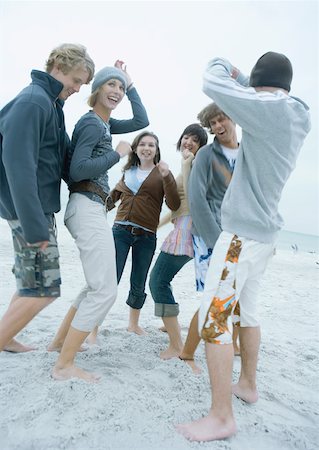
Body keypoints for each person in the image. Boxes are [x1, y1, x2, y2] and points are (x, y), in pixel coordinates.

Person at [176, 52, 311, 442]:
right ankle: (248, 383)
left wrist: (229, 67)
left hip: (241, 235)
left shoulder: (270, 108)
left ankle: (221, 417)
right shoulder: (295, 112)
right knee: (247, 313)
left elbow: (211, 81)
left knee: (214, 319)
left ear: (260, 86)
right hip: (264, 237)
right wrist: (248, 80)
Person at [48, 62, 149, 381]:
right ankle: (64, 365)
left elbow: (142, 120)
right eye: (111, 85)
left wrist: (132, 86)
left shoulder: (104, 123)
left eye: (121, 87)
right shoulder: (93, 124)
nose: (117, 91)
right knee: (105, 291)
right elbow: (78, 171)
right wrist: (117, 155)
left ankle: (57, 345)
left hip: (89, 208)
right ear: (96, 90)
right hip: (86, 204)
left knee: (95, 286)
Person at [0, 43, 95, 354]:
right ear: (59, 66)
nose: (79, 89)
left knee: (31, 284)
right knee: (43, 290)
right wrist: (34, 227)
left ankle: (8, 336)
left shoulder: (51, 105)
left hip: (38, 209)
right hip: (30, 212)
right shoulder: (34, 102)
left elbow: (63, 159)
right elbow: (18, 165)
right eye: (78, 81)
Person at [178, 103, 240, 374]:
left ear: (234, 117)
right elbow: (197, 200)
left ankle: (232, 346)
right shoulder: (205, 154)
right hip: (210, 235)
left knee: (236, 295)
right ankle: (187, 353)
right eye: (212, 122)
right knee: (215, 296)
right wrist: (218, 241)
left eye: (222, 119)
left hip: (240, 234)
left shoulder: (248, 154)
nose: (217, 126)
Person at [110, 131, 180, 335]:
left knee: (138, 281)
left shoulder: (162, 173)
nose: (147, 148)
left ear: (157, 150)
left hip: (147, 235)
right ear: (135, 148)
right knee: (109, 278)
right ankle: (93, 327)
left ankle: (133, 324)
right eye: (143, 144)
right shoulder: (127, 171)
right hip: (120, 231)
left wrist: (167, 177)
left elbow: (174, 203)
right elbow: (112, 197)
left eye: (152, 145)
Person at [149, 124, 208, 359]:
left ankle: (176, 344)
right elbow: (178, 208)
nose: (189, 142)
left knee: (157, 282)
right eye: (186, 137)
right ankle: (170, 322)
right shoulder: (187, 166)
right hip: (183, 227)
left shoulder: (195, 164)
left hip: (188, 231)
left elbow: (193, 198)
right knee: (164, 280)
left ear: (201, 146)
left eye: (195, 139)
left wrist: (186, 162)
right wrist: (155, 226)